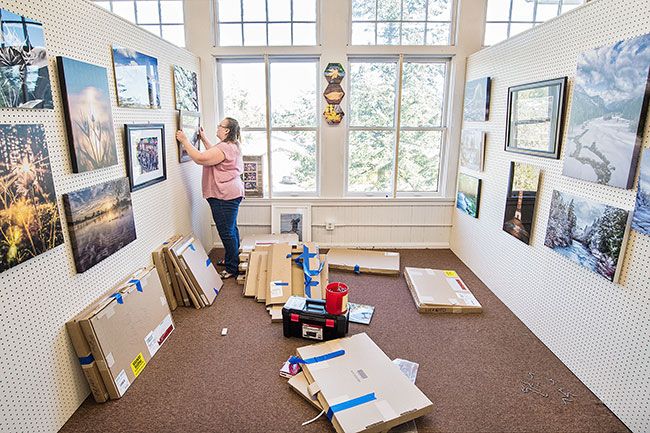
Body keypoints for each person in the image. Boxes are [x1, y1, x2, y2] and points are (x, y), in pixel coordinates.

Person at [176, 117, 244, 279]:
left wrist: (185, 141)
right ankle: (233, 259)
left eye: (220, 125)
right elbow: (213, 154)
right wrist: (204, 138)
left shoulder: (224, 148)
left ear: (227, 130)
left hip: (223, 195)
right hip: (231, 193)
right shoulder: (232, 145)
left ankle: (232, 268)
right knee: (231, 229)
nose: (218, 127)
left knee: (227, 232)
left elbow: (201, 158)